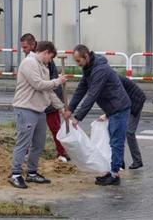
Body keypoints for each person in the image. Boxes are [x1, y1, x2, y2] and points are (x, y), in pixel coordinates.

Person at [63, 44, 131, 186]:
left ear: (86, 56)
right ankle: (111, 170)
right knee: (112, 141)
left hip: (119, 108)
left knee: (116, 143)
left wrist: (78, 117)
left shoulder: (100, 70)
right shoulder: (89, 69)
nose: (77, 64)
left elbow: (92, 95)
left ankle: (114, 175)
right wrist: (70, 109)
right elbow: (81, 89)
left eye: (78, 61)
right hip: (112, 109)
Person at [9, 41, 66, 189]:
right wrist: (58, 81)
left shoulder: (44, 67)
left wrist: (61, 108)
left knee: (38, 144)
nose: (50, 61)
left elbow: (48, 91)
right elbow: (38, 84)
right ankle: (15, 174)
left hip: (39, 109)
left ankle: (32, 172)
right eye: (51, 57)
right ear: (45, 52)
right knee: (23, 142)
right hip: (26, 108)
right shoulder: (29, 63)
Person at [20, 33, 70, 162]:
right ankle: (25, 154)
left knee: (55, 127)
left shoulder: (46, 60)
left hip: (49, 98)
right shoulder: (30, 61)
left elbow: (46, 84)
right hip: (35, 101)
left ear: (33, 45)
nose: (23, 50)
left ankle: (62, 153)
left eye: (25, 47)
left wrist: (60, 106)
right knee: (30, 130)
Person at [98, 76, 146, 169]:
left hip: (135, 102)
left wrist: (107, 115)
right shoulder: (108, 80)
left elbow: (118, 100)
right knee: (119, 132)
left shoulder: (113, 81)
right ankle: (120, 162)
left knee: (129, 132)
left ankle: (137, 161)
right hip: (128, 102)